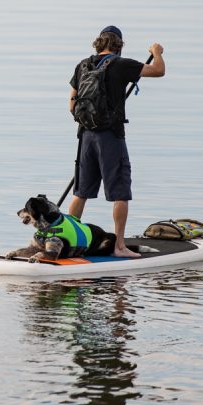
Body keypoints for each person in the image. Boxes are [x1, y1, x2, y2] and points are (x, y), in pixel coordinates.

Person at [67, 25, 165, 258]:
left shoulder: (83, 65)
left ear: (99, 43)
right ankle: (120, 247)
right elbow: (158, 70)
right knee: (119, 191)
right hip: (110, 137)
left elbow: (71, 105)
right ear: (118, 46)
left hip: (85, 136)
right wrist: (157, 51)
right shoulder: (122, 64)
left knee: (80, 192)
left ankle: (68, 241)